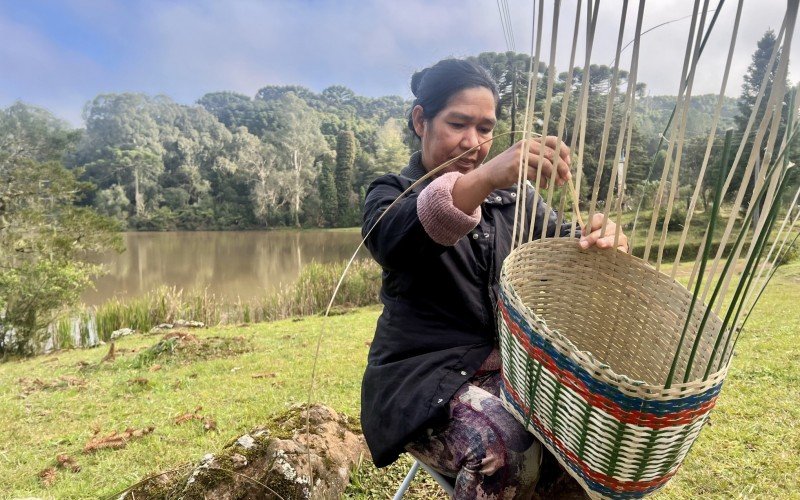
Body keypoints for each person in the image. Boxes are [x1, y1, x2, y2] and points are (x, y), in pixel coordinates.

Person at [360, 58, 627, 499]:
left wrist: (600, 238)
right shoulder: (390, 194)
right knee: (503, 443)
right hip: (422, 383)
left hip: (513, 371)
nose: (474, 143)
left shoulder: (518, 200)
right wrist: (485, 177)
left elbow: (564, 246)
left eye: (485, 129)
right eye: (458, 123)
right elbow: (395, 240)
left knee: (584, 439)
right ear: (420, 120)